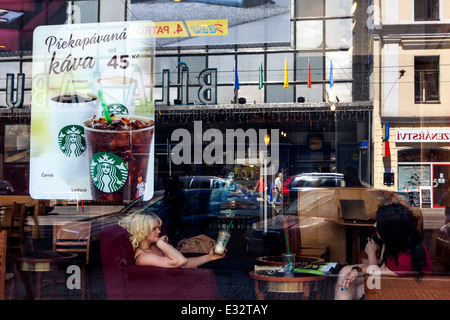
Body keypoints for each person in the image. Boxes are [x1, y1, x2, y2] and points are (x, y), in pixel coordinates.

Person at [334, 203, 433, 300]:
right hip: (395, 283)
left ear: (391, 229)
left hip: (408, 291)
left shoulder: (404, 257)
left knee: (349, 285)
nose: (374, 225)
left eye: (379, 222)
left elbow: (373, 274)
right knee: (345, 273)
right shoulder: (399, 240)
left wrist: (371, 253)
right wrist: (355, 271)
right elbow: (381, 263)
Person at [119, 212, 224, 268]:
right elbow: (180, 261)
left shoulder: (155, 246)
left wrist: (209, 257)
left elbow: (184, 264)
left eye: (159, 227)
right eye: (154, 228)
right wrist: (161, 243)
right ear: (141, 231)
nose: (159, 231)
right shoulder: (143, 258)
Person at [161, 175, 187, 246]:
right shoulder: (172, 192)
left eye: (172, 182)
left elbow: (173, 202)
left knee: (175, 238)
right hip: (170, 219)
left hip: (176, 219)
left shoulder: (180, 193)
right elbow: (165, 203)